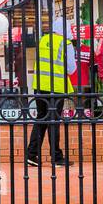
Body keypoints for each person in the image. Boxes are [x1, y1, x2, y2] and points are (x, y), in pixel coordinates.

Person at [28, 17, 76, 168]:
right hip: (56, 87)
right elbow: (71, 69)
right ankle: (56, 158)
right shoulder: (66, 44)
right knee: (54, 121)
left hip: (40, 86)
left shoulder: (43, 39)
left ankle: (32, 154)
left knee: (41, 119)